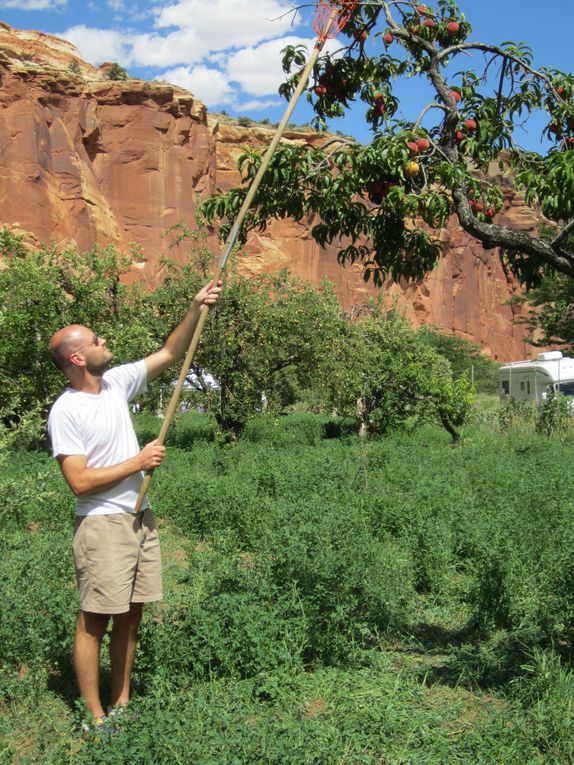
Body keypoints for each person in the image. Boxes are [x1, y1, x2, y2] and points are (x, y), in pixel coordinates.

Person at [47, 280, 221, 735]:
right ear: (78, 358)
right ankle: (95, 716)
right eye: (96, 340)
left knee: (131, 612)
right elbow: (79, 482)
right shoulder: (66, 411)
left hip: (139, 518)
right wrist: (137, 463)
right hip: (102, 524)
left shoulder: (117, 382)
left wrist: (195, 304)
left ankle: (122, 701)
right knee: (95, 619)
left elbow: (169, 352)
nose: (105, 342)